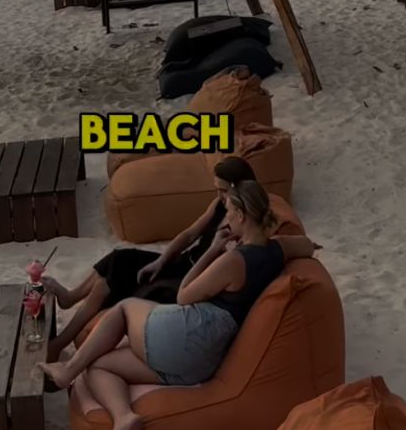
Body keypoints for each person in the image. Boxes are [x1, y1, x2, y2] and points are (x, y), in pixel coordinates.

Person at [41, 180, 316, 429]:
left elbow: (184, 294)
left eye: (230, 210)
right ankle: (124, 417)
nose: (227, 216)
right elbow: (306, 244)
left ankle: (67, 370)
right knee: (98, 365)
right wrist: (285, 244)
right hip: (204, 361)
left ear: (242, 216)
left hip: (194, 333)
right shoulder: (277, 250)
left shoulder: (234, 261)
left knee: (124, 309)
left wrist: (212, 251)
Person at [43, 156, 256, 359]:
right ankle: (71, 297)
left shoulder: (243, 224)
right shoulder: (220, 205)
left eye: (223, 190)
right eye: (217, 189)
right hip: (182, 263)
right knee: (120, 259)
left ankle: (60, 342)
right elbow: (190, 234)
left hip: (191, 281)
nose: (219, 196)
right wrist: (161, 261)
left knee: (114, 281)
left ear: (241, 189)